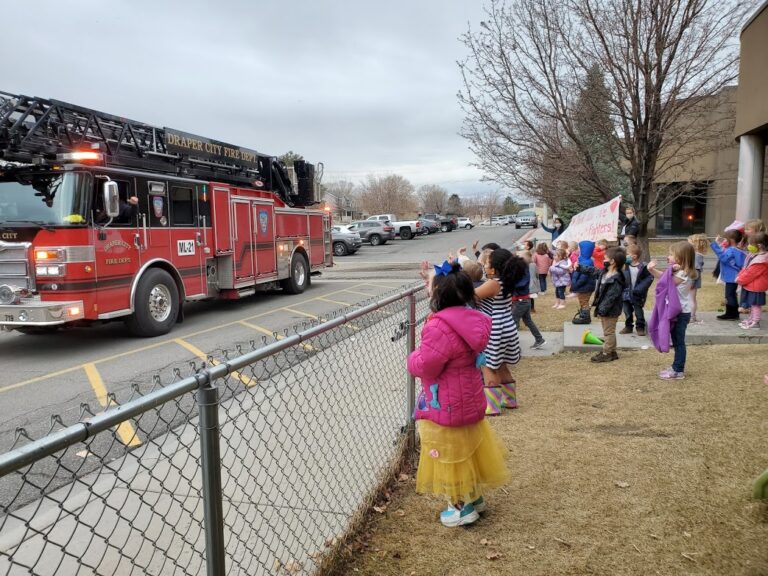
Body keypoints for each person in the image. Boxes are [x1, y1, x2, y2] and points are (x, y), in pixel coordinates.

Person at [407, 261, 509, 527]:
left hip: (446, 403)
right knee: (470, 452)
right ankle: (475, 498)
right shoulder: (475, 320)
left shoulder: (439, 326)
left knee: (450, 457)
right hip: (470, 398)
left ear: (438, 295)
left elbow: (427, 363)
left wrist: (412, 359)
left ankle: (460, 508)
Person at [647, 242, 697, 380]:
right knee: (676, 341)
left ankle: (678, 370)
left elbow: (666, 281)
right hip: (677, 311)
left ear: (681, 257)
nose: (667, 256)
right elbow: (665, 278)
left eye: (671, 254)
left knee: (678, 342)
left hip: (681, 313)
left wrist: (659, 271)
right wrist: (652, 271)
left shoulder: (683, 274)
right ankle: (676, 367)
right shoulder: (679, 272)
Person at [579, 247, 627, 362]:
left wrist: (602, 310)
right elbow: (593, 271)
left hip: (610, 310)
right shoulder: (605, 272)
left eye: (605, 258)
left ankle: (606, 353)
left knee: (608, 332)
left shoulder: (616, 279)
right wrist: (579, 268)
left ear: (612, 261)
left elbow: (611, 297)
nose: (603, 260)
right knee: (609, 330)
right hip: (605, 309)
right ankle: (612, 351)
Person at [711, 230, 746, 320]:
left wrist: (715, 244)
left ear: (732, 240)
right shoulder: (736, 250)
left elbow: (723, 258)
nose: (725, 241)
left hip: (732, 277)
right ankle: (733, 313)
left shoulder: (731, 250)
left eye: (726, 239)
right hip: (734, 276)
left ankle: (731, 314)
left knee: (729, 295)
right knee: (732, 294)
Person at [736, 231, 768, 329]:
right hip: (752, 285)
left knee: (755, 305)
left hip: (757, 286)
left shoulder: (761, 260)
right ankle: (751, 319)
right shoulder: (756, 255)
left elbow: (751, 273)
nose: (749, 246)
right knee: (752, 304)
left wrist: (740, 279)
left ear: (759, 245)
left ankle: (756, 322)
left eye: (750, 244)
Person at [620, 244, 653, 336]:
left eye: (627, 254)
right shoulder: (625, 266)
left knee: (638, 311)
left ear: (634, 256)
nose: (625, 256)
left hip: (637, 294)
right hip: (626, 293)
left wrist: (640, 289)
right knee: (627, 311)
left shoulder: (642, 267)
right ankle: (628, 327)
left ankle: (640, 327)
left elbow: (649, 278)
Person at [516, 250, 546, 346]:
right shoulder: (523, 269)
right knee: (528, 321)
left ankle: (512, 343)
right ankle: (539, 339)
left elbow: (520, 284)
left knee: (513, 321)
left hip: (521, 301)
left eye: (518, 257)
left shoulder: (524, 271)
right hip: (524, 300)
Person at [571, 241, 598, 325]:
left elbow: (583, 277)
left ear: (584, 250)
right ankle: (583, 315)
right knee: (582, 301)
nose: (578, 250)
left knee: (584, 301)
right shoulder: (583, 260)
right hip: (583, 286)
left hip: (584, 286)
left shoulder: (586, 262)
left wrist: (575, 285)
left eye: (580, 249)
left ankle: (585, 317)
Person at [687, 234, 708, 323]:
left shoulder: (696, 256)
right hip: (693, 280)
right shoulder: (698, 255)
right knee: (691, 298)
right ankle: (692, 315)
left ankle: (691, 316)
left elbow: (695, 270)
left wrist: (691, 282)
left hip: (692, 280)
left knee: (690, 299)